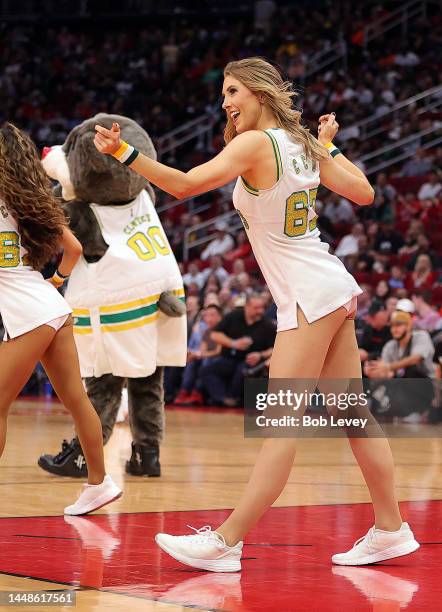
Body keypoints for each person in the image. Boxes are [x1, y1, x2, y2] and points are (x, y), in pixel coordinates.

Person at [94, 57, 419, 570]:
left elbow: (181, 185)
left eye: (233, 91)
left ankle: (227, 541)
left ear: (260, 93)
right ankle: (391, 528)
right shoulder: (303, 143)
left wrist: (124, 152)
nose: (225, 102)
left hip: (310, 295)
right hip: (328, 286)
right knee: (354, 415)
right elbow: (364, 191)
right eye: (223, 94)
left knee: (282, 424)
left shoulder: (254, 144)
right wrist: (328, 142)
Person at [0, 123, 121, 515]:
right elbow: (73, 247)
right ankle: (99, 484)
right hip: (49, 306)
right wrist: (57, 281)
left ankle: (99, 483)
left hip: (28, 312)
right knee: (77, 400)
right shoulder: (24, 199)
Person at [199, 295, 276, 406]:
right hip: (229, 358)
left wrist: (260, 355)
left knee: (242, 370)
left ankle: (232, 398)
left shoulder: (267, 324)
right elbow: (215, 334)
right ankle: (222, 398)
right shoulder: (233, 316)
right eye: (256, 308)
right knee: (206, 371)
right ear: (247, 307)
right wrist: (233, 343)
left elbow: (275, 348)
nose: (260, 311)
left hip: (251, 361)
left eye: (262, 308)